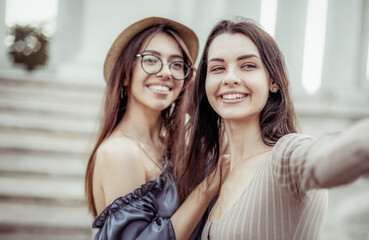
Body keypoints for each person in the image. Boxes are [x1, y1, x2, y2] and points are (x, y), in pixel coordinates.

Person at [173, 18, 369, 240]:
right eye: (218, 68)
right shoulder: (220, 170)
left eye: (248, 65)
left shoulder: (286, 155)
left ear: (273, 81)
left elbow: (337, 153)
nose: (229, 78)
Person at [84, 16, 226, 240]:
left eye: (177, 64)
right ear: (124, 75)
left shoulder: (173, 145)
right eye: (150, 60)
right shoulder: (120, 152)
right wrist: (208, 188)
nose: (166, 72)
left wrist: (196, 99)